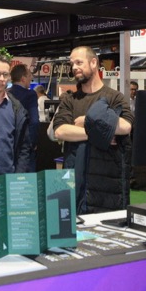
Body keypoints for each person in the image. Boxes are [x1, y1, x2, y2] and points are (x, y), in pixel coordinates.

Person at [53, 46, 134, 214]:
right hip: (76, 183)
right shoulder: (70, 100)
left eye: (79, 62)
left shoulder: (114, 97)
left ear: (94, 63)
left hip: (108, 186)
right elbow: (60, 131)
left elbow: (125, 126)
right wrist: (101, 133)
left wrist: (86, 122)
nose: (74, 67)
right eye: (72, 64)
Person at [9, 64, 39, 172]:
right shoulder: (30, 95)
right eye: (29, 75)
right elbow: (34, 121)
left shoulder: (6, 94)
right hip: (25, 144)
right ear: (23, 78)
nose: (31, 78)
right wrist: (33, 143)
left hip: (9, 143)